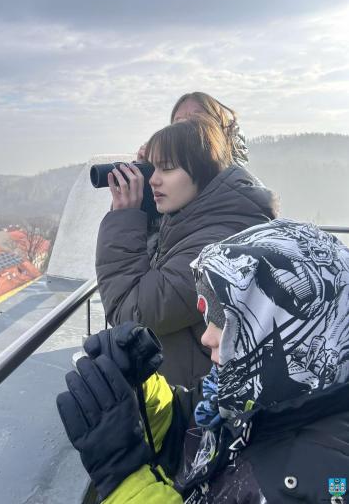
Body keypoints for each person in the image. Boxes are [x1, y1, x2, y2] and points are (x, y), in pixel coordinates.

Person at [58, 219, 349, 503]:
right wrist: (137, 392)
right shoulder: (258, 395)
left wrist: (124, 480)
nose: (207, 337)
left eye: (225, 321)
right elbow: (194, 432)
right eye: (210, 317)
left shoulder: (319, 482)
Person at [96, 116, 278, 387]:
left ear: (203, 172)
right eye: (153, 168)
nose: (153, 180)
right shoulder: (196, 218)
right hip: (189, 381)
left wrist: (124, 217)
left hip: (195, 400)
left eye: (166, 168)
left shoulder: (215, 246)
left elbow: (130, 312)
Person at [138, 91, 248, 168]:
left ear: (218, 124)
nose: (185, 125)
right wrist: (148, 167)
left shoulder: (237, 181)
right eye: (178, 121)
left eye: (196, 118)